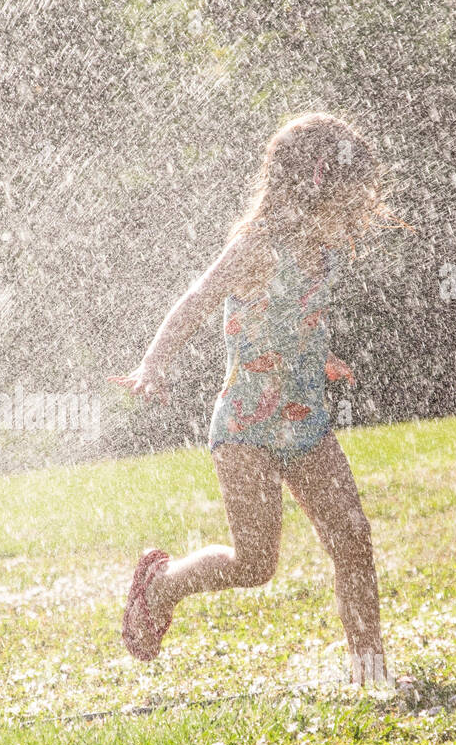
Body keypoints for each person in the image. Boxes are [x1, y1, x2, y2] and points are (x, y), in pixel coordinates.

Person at [109, 112, 401, 686]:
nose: (363, 204)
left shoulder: (329, 247)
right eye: (355, 189)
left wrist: (318, 357)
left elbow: (287, 316)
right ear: (318, 183)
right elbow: (197, 300)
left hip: (306, 420)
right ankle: (162, 584)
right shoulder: (258, 245)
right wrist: (152, 363)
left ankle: (371, 674)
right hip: (246, 426)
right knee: (255, 563)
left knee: (353, 540)